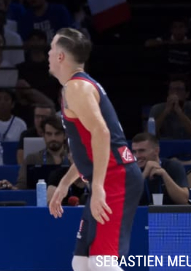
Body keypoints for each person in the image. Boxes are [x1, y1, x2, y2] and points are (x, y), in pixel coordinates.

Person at [47, 28, 142, 271]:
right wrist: (66, 182)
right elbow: (90, 146)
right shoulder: (78, 86)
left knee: (102, 264)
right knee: (81, 263)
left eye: (51, 48)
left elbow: (102, 134)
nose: (48, 53)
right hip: (107, 176)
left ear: (60, 56)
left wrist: (98, 186)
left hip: (115, 177)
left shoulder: (76, 88)